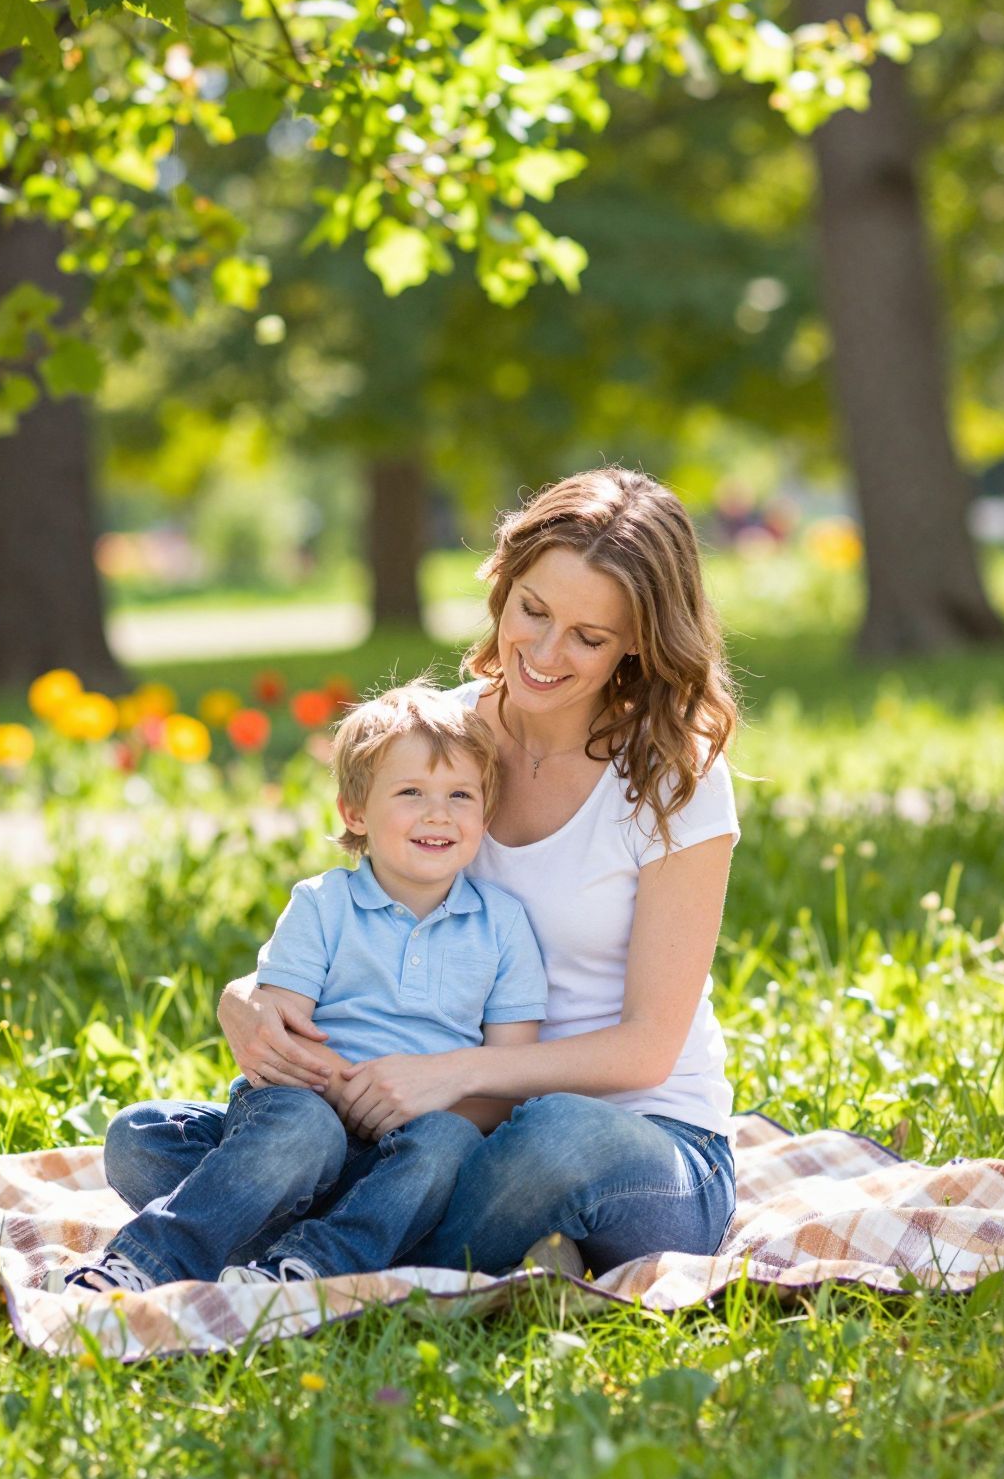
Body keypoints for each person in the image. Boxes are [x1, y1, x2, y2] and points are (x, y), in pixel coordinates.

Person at [211, 466, 743, 1281]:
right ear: (504, 585)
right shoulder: (441, 739)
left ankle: (331, 1245)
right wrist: (245, 1002)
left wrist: (457, 1073)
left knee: (552, 1138)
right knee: (148, 1142)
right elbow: (358, 914)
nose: (543, 652)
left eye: (589, 637)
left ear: (639, 640)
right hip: (445, 1130)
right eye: (533, 610)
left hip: (636, 1141)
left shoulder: (676, 776)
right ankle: (425, 1238)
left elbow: (647, 1049)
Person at [67, 681, 547, 1294]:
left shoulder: (503, 925)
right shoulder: (323, 905)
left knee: (449, 1143)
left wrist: (419, 1103)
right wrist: (352, 1093)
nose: (438, 814)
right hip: (302, 1116)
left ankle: (307, 1262)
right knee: (143, 1136)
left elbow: (509, 1081)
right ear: (354, 812)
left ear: (485, 811)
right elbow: (280, 1039)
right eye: (410, 793)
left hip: (410, 1146)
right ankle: (151, 1260)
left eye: (461, 794)